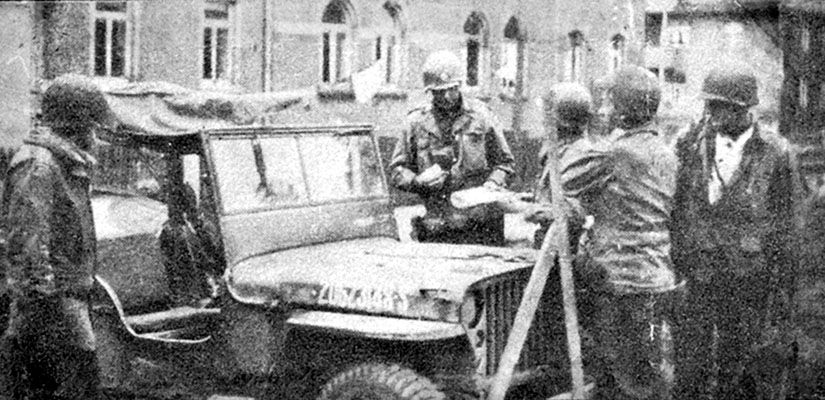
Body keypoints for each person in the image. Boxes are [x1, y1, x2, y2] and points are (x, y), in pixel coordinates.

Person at [672, 63, 801, 400]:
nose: (711, 114)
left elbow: (787, 224)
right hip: (697, 272)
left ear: (743, 109)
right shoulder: (690, 142)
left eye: (719, 107)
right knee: (690, 363)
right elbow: (678, 205)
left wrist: (782, 288)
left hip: (748, 277)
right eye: (709, 106)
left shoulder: (777, 152)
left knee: (740, 362)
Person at [556, 66, 680, 400]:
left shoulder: (613, 153)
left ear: (623, 109)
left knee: (622, 379)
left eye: (610, 102)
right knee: (646, 376)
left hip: (621, 282)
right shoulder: (667, 153)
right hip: (656, 279)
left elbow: (562, 178)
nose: (604, 109)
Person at [0, 74, 113, 400]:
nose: (95, 135)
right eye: (91, 125)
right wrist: (48, 320)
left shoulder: (61, 164)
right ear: (74, 124)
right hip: (49, 312)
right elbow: (28, 251)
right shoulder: (40, 166)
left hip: (66, 306)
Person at [388, 50, 516, 246]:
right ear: (430, 92)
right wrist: (417, 181)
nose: (447, 96)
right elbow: (397, 170)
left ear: (460, 85)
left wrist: (492, 183)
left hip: (481, 225)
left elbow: (505, 164)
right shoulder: (416, 122)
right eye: (440, 92)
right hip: (438, 225)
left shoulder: (482, 117)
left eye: (452, 89)